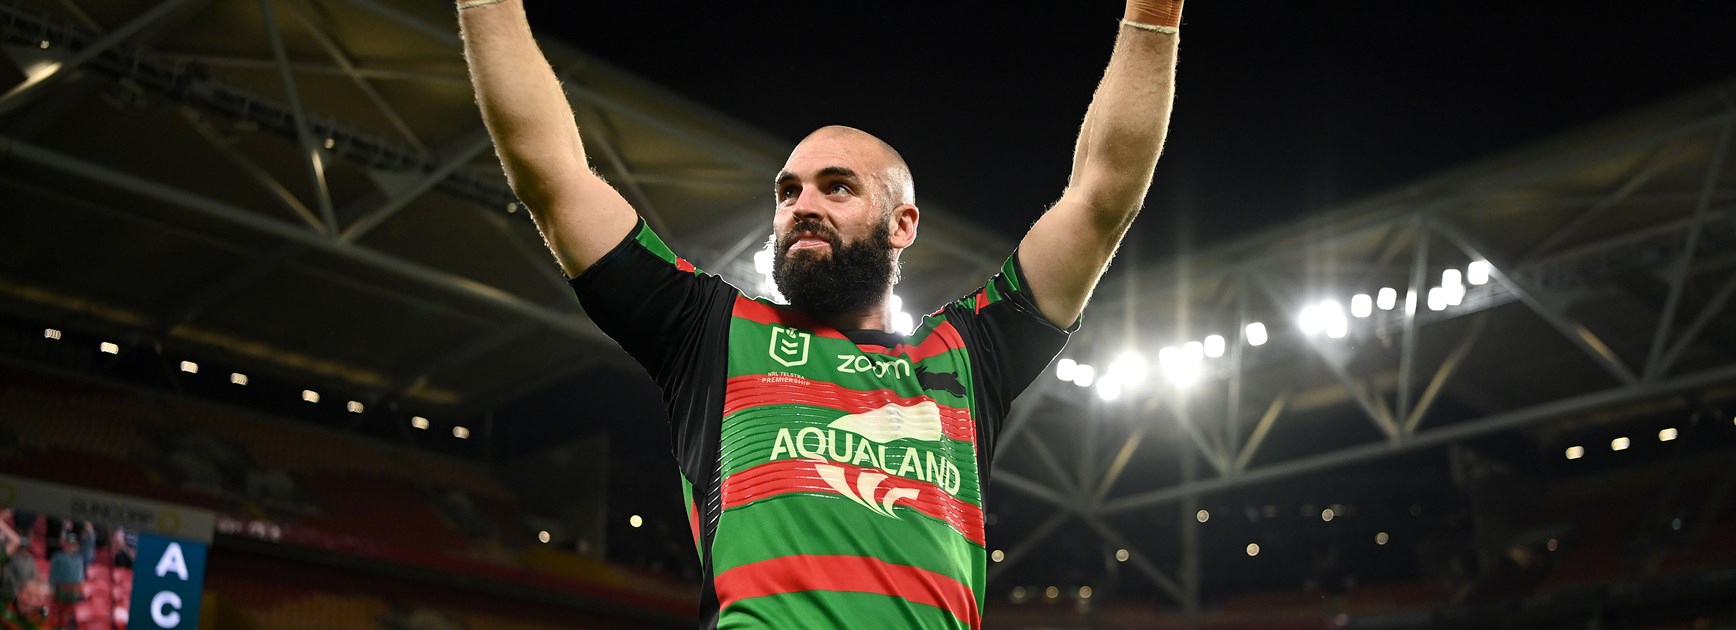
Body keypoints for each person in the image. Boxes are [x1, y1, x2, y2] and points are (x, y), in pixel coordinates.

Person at [459, 0, 1182, 626]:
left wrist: (1154, 14)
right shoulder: (710, 334)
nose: (802, 205)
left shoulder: (968, 356)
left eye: (837, 188)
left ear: (902, 224)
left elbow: (1102, 195)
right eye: (787, 191)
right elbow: (552, 174)